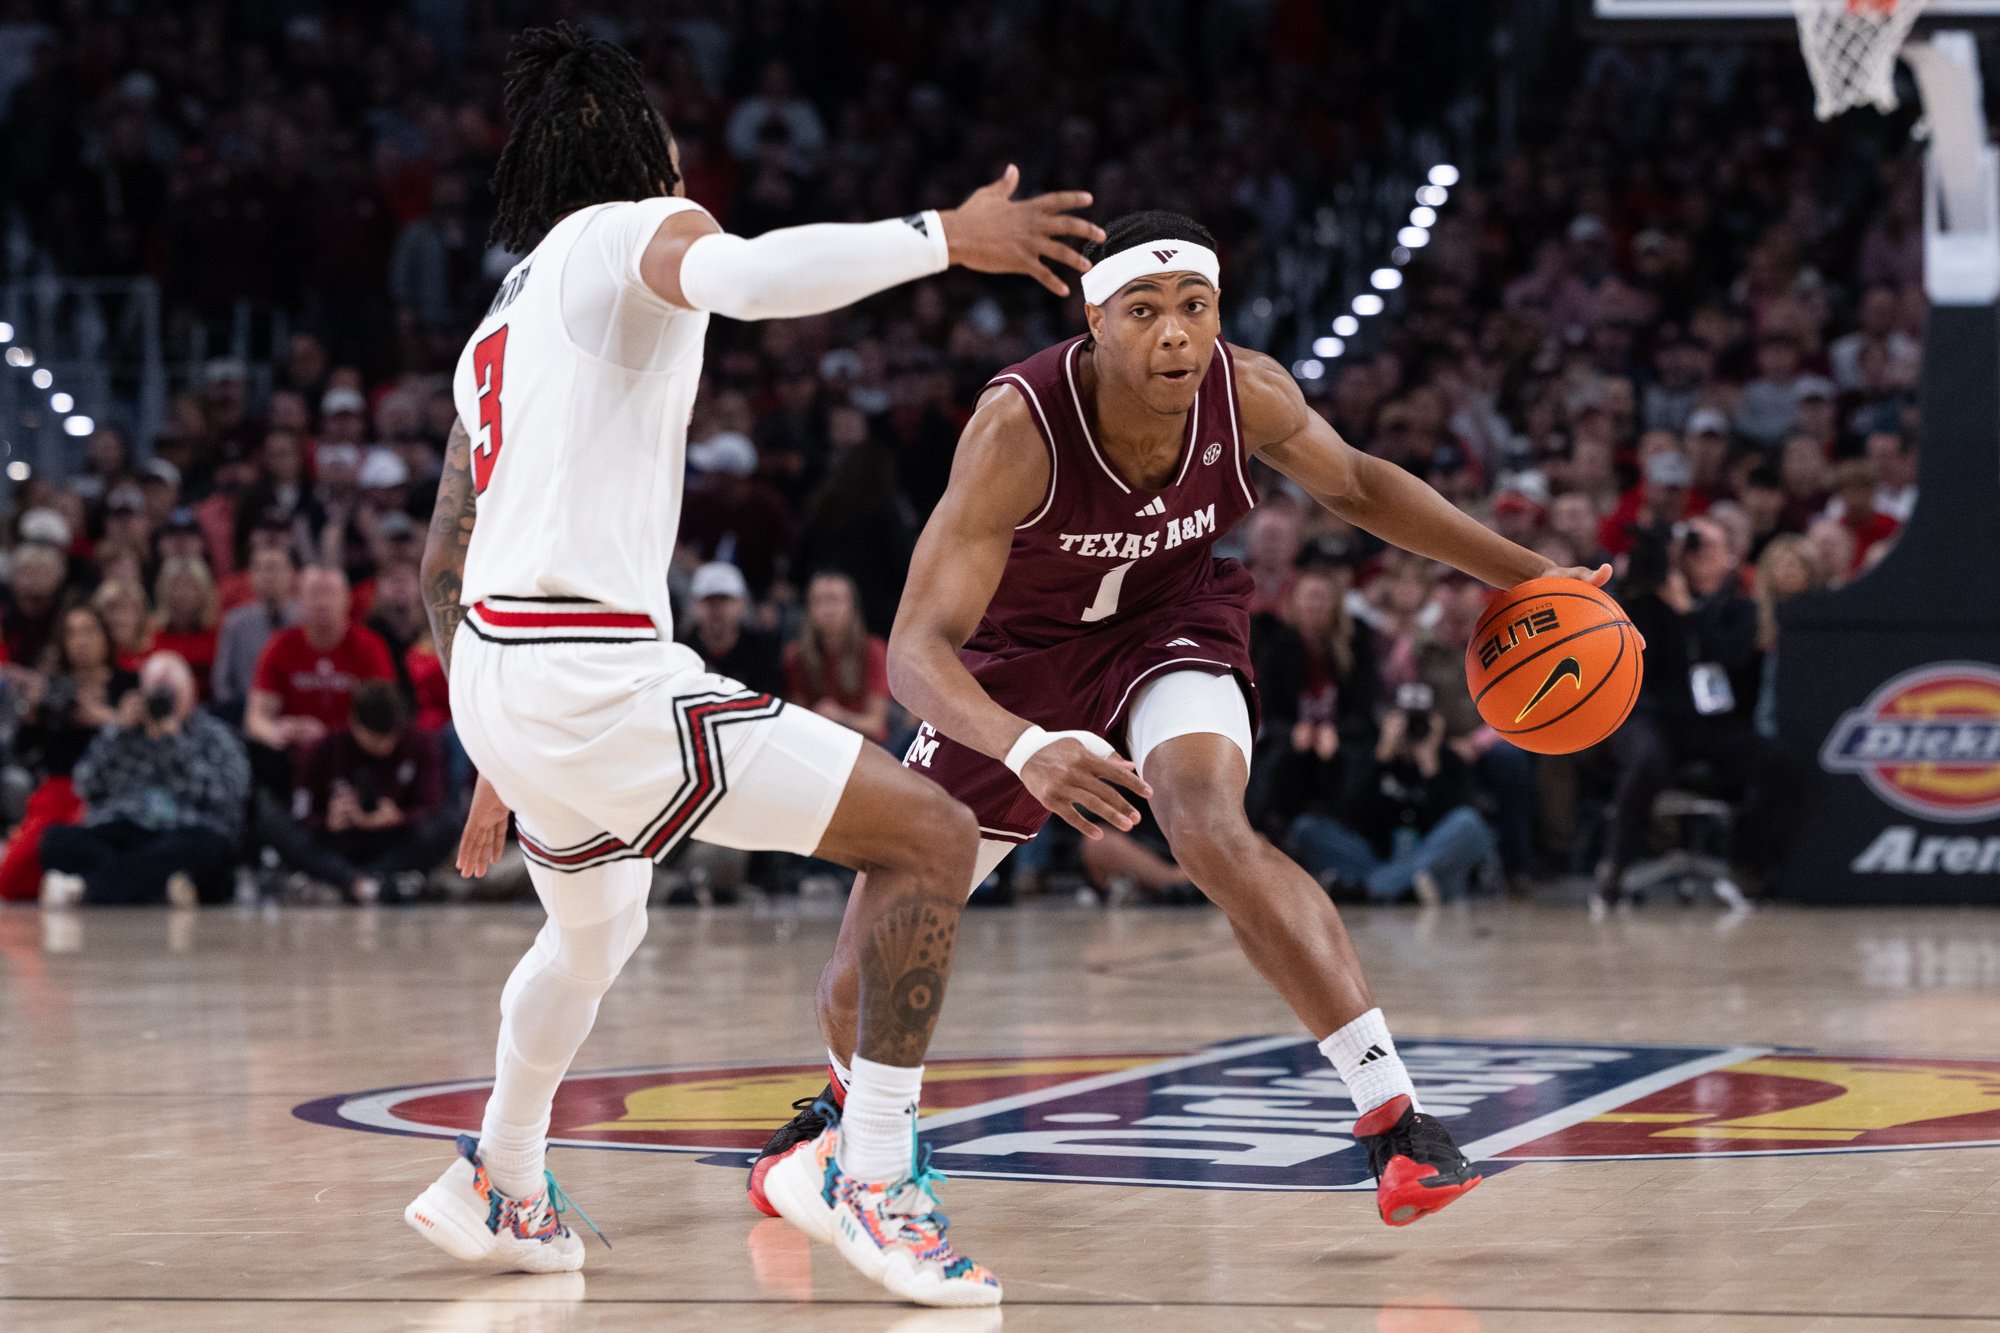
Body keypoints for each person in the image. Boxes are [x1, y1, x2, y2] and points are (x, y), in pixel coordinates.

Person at [410, 24, 1103, 1303]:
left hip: (505, 671)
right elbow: (749, 276)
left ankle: (501, 1173)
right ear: (627, 152)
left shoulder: (495, 327)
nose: (686, 166)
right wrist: (943, 236)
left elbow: (443, 555)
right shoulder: (636, 225)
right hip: (581, 665)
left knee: (594, 931)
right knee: (933, 837)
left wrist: (490, 740)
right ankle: (867, 1171)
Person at [751, 208, 1611, 1238]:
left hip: (1170, 621)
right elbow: (916, 652)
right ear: (1095, 322)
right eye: (1144, 310)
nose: (1173, 334)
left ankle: (1394, 1120)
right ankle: (845, 1112)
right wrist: (1028, 748)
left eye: (1193, 308)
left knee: (1205, 821)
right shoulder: (1018, 429)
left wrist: (1524, 572)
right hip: (1014, 664)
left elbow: (1357, 484)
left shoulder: (1245, 392)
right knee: (856, 969)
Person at [1601, 514, 1794, 908]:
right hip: (1658, 717)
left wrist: (1688, 611)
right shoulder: (1651, 603)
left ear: (1730, 558)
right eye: (1692, 548)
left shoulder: (1742, 610)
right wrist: (1652, 586)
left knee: (1778, 764)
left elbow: (1732, 657)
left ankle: (1747, 868)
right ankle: (1615, 867)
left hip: (1715, 723)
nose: (1699, 556)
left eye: (1709, 547)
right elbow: (1634, 658)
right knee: (1644, 757)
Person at [38, 652, 249, 907]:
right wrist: (117, 730)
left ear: (191, 692)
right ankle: (158, 886)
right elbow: (85, 783)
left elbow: (228, 796)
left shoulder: (215, 735)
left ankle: (97, 888)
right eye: (157, 693)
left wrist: (176, 743)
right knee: (55, 840)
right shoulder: (124, 731)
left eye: (172, 693)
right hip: (123, 827)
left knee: (210, 847)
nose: (164, 702)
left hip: (182, 830)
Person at [1289, 682, 1496, 904]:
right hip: (1377, 856)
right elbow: (1350, 815)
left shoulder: (1449, 761)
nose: (1411, 728)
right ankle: (1404, 889)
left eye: (1420, 719)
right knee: (1306, 828)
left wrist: (1430, 765)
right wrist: (1382, 757)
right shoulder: (1372, 754)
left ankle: (1369, 889)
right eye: (1405, 719)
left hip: (1427, 858)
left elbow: (1455, 824)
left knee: (1470, 824)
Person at [262, 680, 455, 904]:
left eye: (389, 737)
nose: (381, 746)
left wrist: (398, 817)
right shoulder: (324, 749)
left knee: (450, 822)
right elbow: (301, 814)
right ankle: (368, 882)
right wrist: (327, 821)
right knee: (271, 819)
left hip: (394, 842)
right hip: (340, 843)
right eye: (373, 738)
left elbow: (432, 806)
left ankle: (356, 882)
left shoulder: (421, 745)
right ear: (354, 722)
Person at [0, 608, 136, 901]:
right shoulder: (53, 686)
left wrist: (107, 719)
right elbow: (24, 752)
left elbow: (147, 743)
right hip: (61, 790)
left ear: (104, 637)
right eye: (71, 633)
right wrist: (31, 713)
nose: (79, 640)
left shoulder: (129, 684)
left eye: (87, 631)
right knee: (11, 879)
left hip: (119, 793)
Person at [243, 566, 395, 791]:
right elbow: (256, 719)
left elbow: (381, 720)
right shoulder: (280, 646)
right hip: (291, 759)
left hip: (352, 756)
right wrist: (280, 732)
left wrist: (327, 737)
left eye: (330, 593)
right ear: (300, 600)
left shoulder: (369, 647)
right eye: (314, 593)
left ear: (348, 600)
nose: (322, 602)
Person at [784, 571, 891, 744]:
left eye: (834, 599)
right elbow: (796, 720)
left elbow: (876, 724)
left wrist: (839, 717)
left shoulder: (874, 649)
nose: (828, 609)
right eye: (820, 600)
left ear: (852, 606)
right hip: (815, 743)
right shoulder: (795, 655)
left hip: (864, 746)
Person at [212, 540, 301, 717]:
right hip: (244, 717)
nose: (268, 576)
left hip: (297, 717)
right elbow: (221, 682)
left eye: (274, 568)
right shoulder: (234, 622)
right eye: (260, 569)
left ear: (290, 575)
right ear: (251, 577)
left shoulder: (306, 620)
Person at [676, 562, 782, 695]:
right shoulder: (680, 653)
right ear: (694, 605)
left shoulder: (763, 652)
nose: (716, 609)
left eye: (724, 600)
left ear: (741, 604)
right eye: (709, 600)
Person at [152, 557, 220, 698]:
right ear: (164, 590)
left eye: (191, 585)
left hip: (210, 707)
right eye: (177, 585)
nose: (184, 592)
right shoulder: (152, 632)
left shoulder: (218, 633)